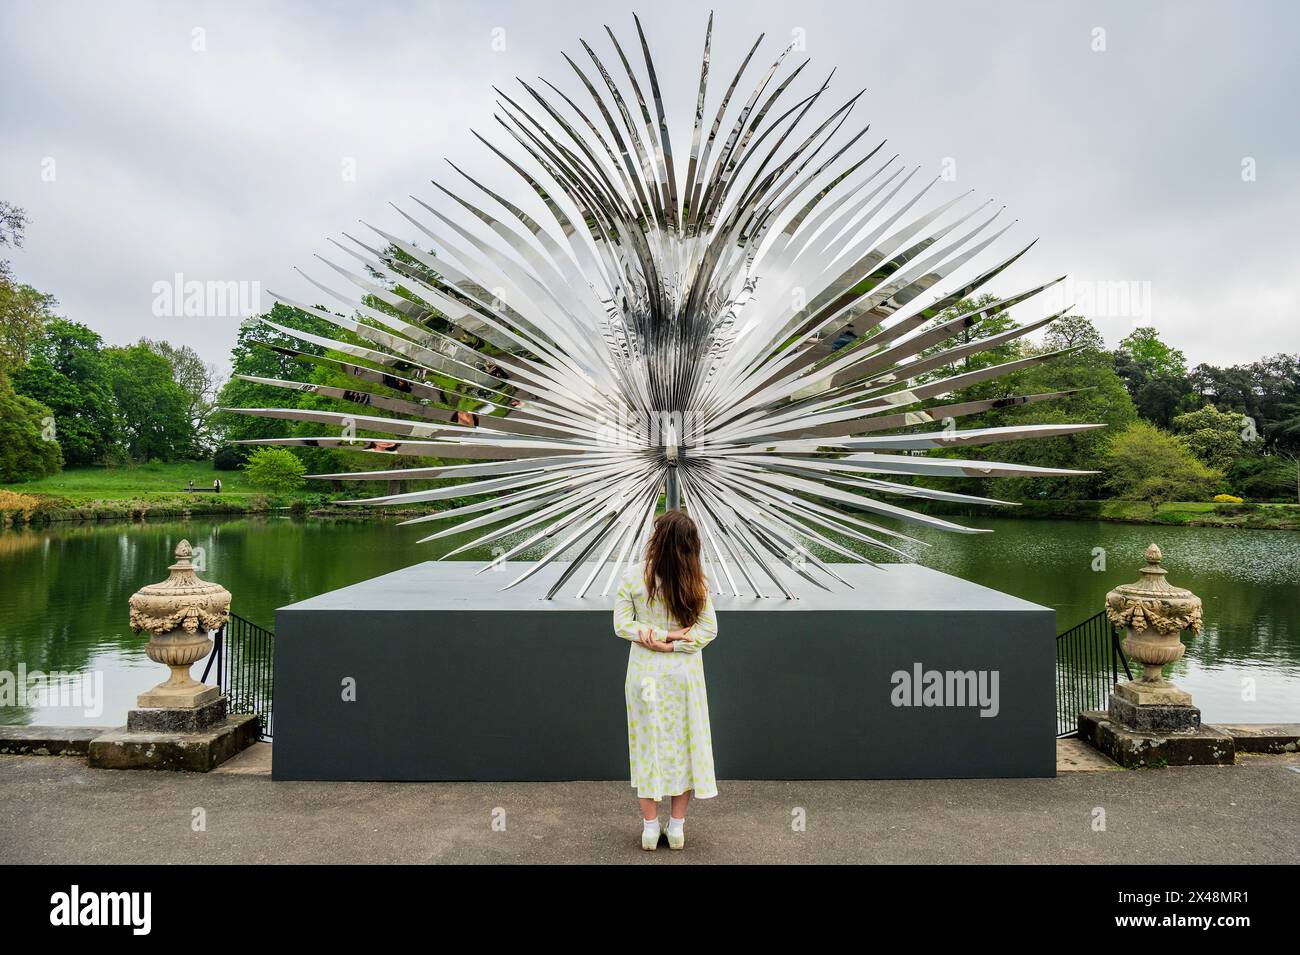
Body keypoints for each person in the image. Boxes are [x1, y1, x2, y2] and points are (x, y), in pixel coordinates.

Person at [613, 509, 718, 851]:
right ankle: (676, 828)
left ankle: (648, 828)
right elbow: (708, 631)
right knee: (683, 749)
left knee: (647, 747)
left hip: (644, 673)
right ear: (691, 546)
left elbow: (621, 625)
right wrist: (674, 642)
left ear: (657, 541)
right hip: (683, 677)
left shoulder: (633, 577)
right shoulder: (697, 583)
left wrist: (657, 637)